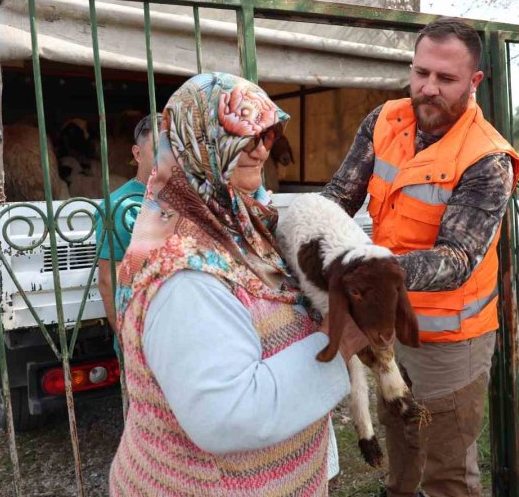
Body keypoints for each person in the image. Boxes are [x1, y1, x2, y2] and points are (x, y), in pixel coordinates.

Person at [108, 72, 365, 496]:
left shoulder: (238, 227)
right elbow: (226, 415)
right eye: (243, 137)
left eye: (267, 135)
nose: (262, 150)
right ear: (198, 144)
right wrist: (339, 344)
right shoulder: (184, 275)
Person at [322, 17, 519, 497]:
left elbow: (456, 259)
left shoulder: (487, 158)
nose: (428, 88)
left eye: (445, 79)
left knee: (447, 472)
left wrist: (368, 272)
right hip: (389, 326)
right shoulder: (385, 119)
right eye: (420, 73)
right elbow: (340, 194)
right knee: (404, 454)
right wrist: (303, 228)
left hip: (449, 341)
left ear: (474, 82)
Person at [94, 113, 159, 334]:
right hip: (146, 335)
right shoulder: (120, 207)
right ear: (137, 154)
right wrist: (128, 341)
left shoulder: (189, 200)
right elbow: (108, 282)